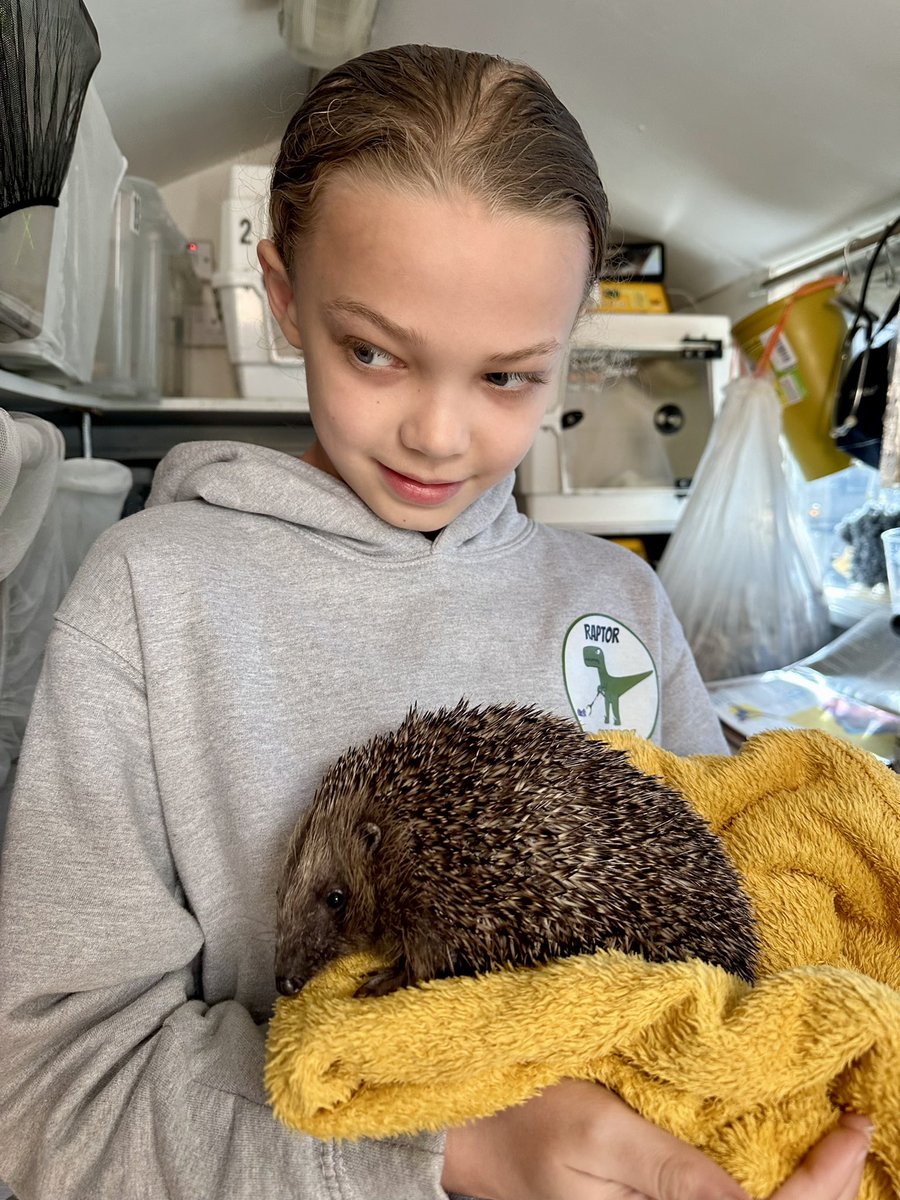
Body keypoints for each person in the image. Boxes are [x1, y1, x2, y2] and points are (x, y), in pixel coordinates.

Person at [0, 43, 871, 1200]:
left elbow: (730, 943)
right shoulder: (154, 598)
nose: (440, 436)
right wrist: (445, 1148)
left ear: (570, 344)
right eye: (374, 352)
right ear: (281, 295)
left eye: (508, 376)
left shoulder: (621, 601)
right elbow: (54, 1092)